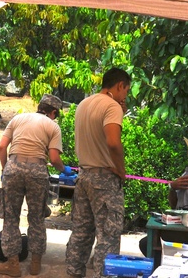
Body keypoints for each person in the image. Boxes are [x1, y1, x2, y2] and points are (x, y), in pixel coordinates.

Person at [0, 94, 71, 276]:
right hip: (37, 172)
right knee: (36, 218)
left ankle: (12, 265)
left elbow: (1, 147)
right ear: (53, 112)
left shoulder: (17, 118)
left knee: (11, 218)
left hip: (13, 169)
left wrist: (5, 169)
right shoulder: (53, 126)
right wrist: (64, 169)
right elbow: (53, 158)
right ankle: (35, 264)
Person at [66, 68, 131, 278]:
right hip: (104, 178)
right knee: (108, 236)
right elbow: (113, 143)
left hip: (83, 175)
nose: (125, 96)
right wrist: (121, 170)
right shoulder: (112, 106)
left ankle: (73, 273)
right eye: (126, 91)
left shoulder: (83, 104)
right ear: (120, 85)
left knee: (81, 233)